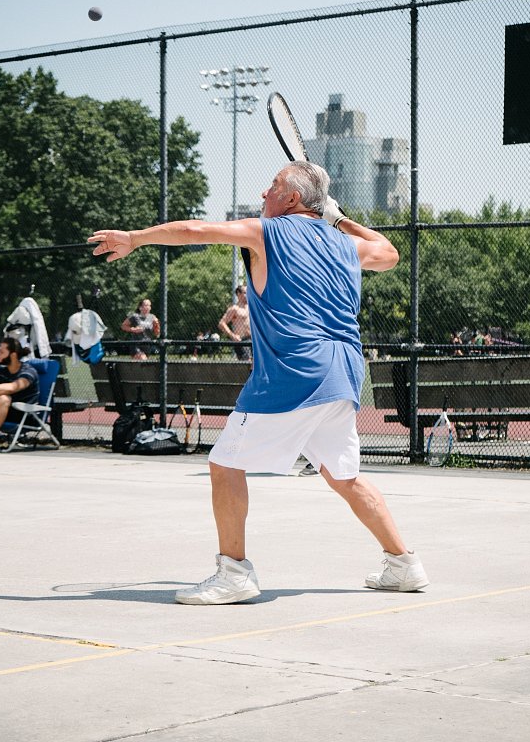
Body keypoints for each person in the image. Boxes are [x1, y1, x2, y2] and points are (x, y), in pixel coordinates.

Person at [89, 161, 429, 604]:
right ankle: (404, 565)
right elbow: (389, 251)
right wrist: (337, 216)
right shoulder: (348, 245)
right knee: (345, 476)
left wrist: (135, 238)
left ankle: (234, 574)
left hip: (296, 370)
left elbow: (194, 230)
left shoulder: (267, 232)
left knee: (225, 464)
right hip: (344, 373)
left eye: (273, 186)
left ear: (291, 199)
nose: (264, 191)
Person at [0, 337, 40, 454]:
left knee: (4, 398)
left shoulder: (28, 371)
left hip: (23, 416)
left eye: (1, 352)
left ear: (13, 355)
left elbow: (12, 387)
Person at [217, 285, 252, 361]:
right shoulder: (234, 309)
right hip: (241, 340)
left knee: (258, 363)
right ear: (239, 294)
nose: (248, 294)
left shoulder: (252, 307)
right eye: (245, 293)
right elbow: (221, 323)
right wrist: (232, 336)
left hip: (253, 340)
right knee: (246, 363)